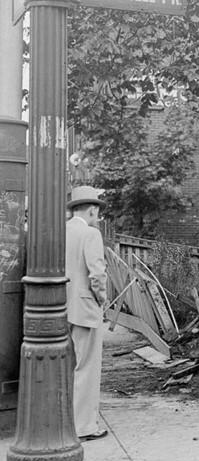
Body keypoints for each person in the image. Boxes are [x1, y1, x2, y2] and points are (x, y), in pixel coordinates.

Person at [66, 185, 109, 440]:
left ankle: (69, 421)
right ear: (92, 209)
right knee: (87, 369)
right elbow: (97, 275)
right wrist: (101, 300)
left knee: (70, 367)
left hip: (64, 307)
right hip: (85, 309)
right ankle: (84, 427)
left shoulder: (62, 231)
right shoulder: (90, 234)